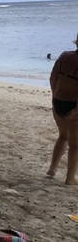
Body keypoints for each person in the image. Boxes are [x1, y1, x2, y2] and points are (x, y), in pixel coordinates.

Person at [48, 34, 78, 184]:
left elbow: (53, 78)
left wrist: (54, 97)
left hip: (58, 101)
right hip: (73, 105)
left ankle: (52, 170)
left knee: (62, 136)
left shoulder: (65, 56)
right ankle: (70, 178)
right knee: (75, 145)